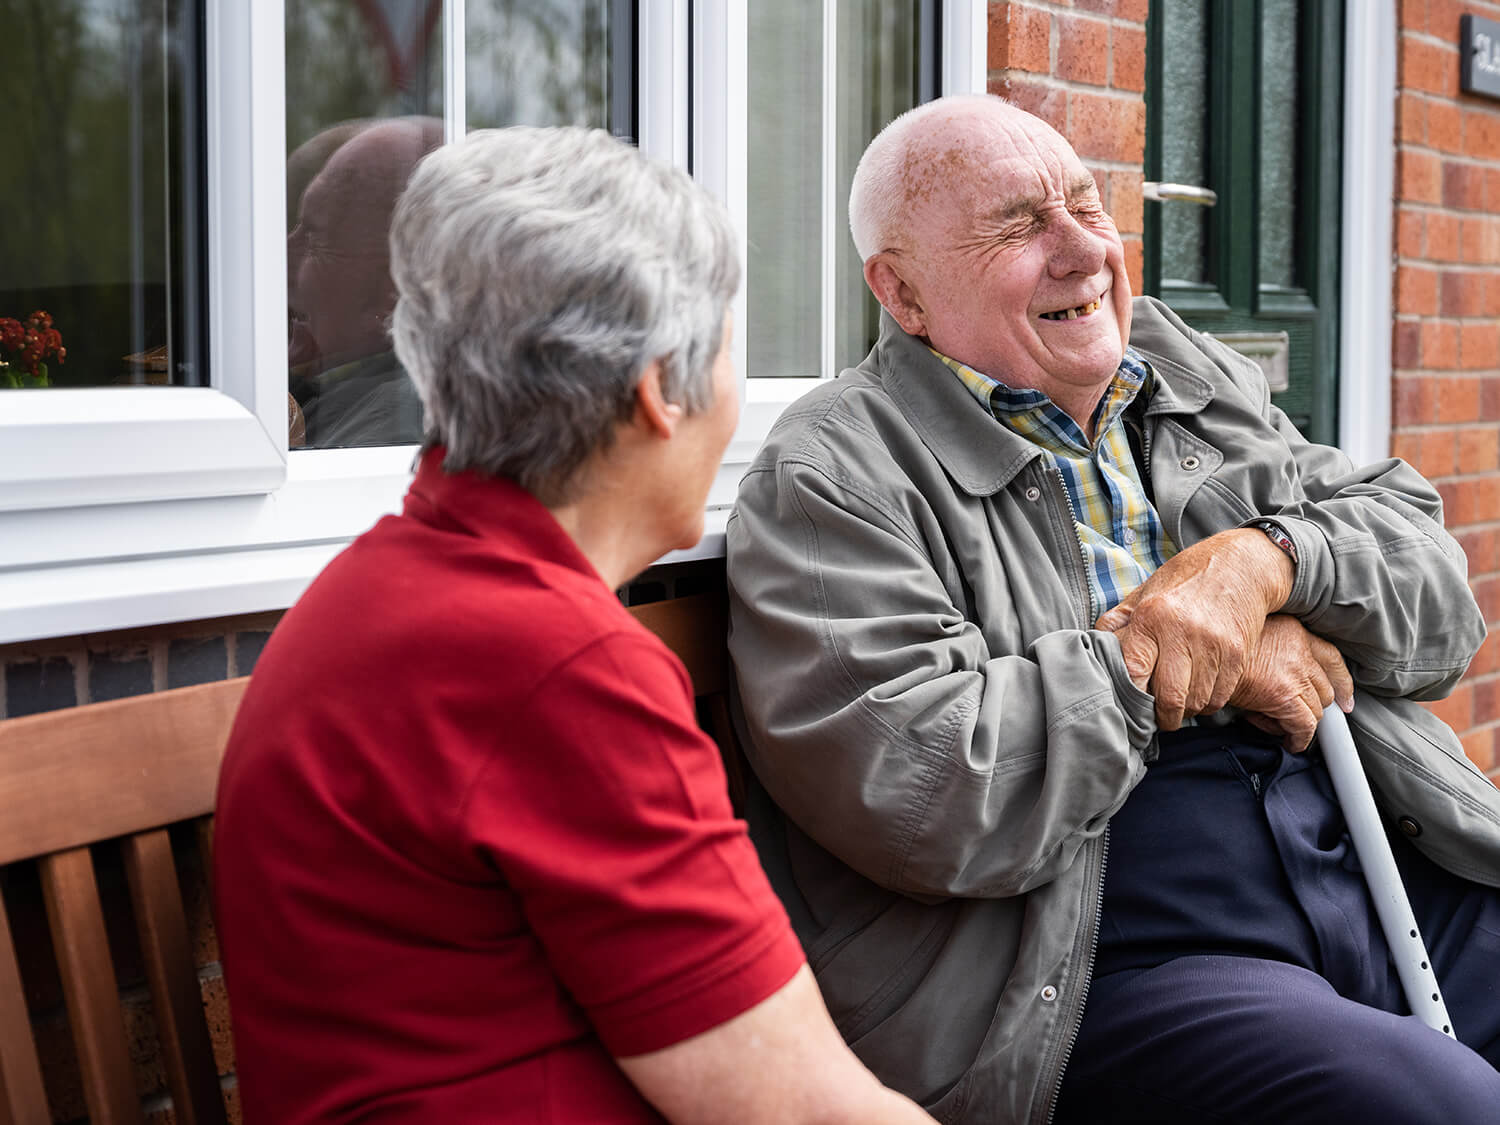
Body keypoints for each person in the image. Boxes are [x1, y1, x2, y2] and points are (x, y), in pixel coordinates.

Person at [726, 93, 1500, 1124]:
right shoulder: (834, 471)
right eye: (1018, 225)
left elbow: (1437, 595)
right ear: (902, 293)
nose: (1082, 250)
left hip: (1360, 843)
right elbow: (921, 788)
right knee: (1431, 1105)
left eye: (1086, 205)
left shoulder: (1179, 375)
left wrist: (1264, 563)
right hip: (1096, 941)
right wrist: (1169, 653)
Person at [215, 126, 935, 1125]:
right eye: (733, 346)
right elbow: (797, 1109)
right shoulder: (552, 663)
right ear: (656, 388)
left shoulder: (398, 582)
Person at [285, 116, 440, 448]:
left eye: (315, 240)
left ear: (396, 290)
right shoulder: (341, 395)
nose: (280, 261)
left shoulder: (393, 427)